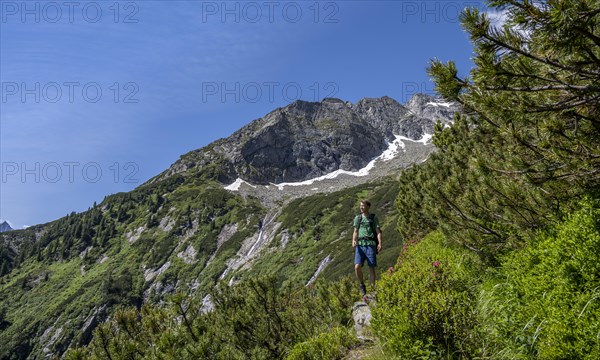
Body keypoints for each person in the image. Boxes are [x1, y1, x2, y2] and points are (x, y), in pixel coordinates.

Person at [352, 199, 382, 296]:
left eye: (363, 205)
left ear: (368, 206)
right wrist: (353, 240)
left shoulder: (373, 218)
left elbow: (378, 232)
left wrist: (380, 243)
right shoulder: (358, 218)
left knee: (371, 267)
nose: (361, 207)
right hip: (360, 245)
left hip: (370, 244)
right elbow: (355, 230)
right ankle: (362, 285)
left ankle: (372, 290)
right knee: (357, 267)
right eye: (360, 205)